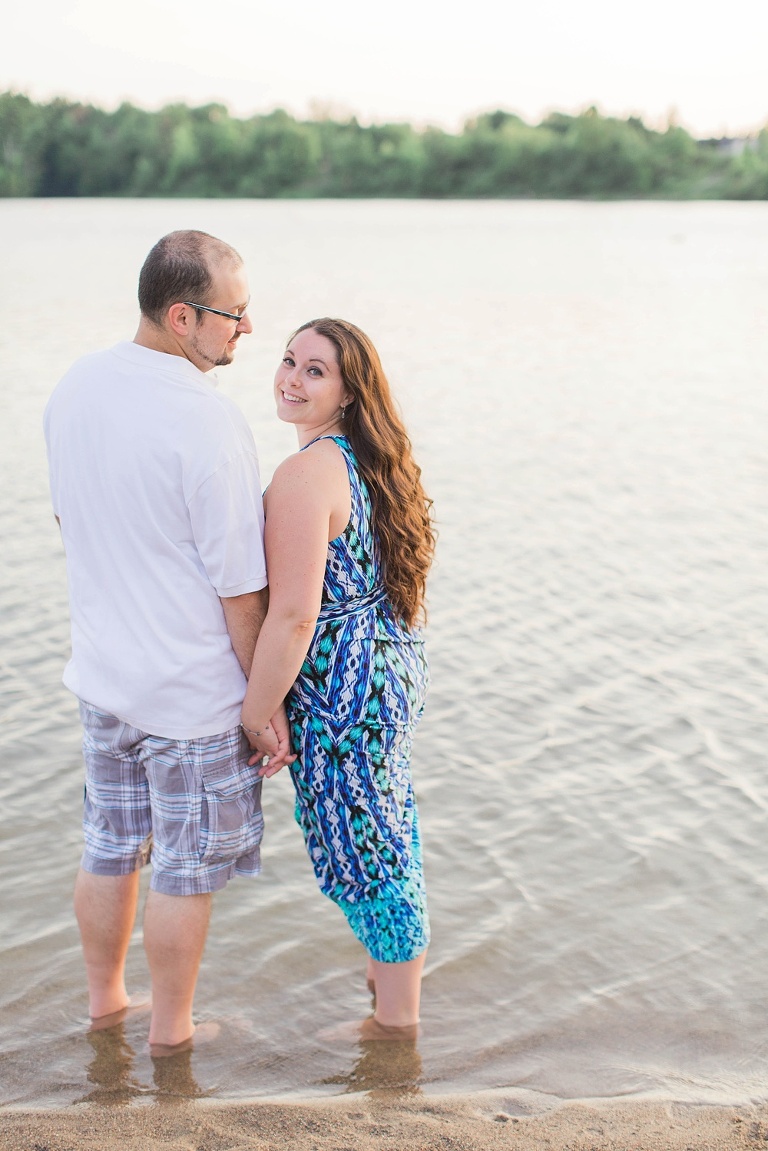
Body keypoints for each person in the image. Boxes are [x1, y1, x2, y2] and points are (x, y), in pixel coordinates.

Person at [43, 230, 292, 1054]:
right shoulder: (208, 420)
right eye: (235, 314)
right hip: (189, 696)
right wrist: (265, 704)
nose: (247, 330)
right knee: (185, 869)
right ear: (183, 316)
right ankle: (172, 1035)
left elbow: (65, 517)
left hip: (105, 678)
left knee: (110, 846)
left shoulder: (75, 387)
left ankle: (105, 1006)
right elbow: (240, 589)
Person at [241, 318, 436, 1038]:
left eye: (315, 370)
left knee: (365, 845)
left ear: (350, 390)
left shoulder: (305, 475)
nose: (291, 378)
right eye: (289, 360)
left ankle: (397, 1023)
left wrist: (256, 711)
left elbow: (293, 615)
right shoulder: (368, 461)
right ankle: (389, 984)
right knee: (388, 827)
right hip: (388, 673)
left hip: (345, 693)